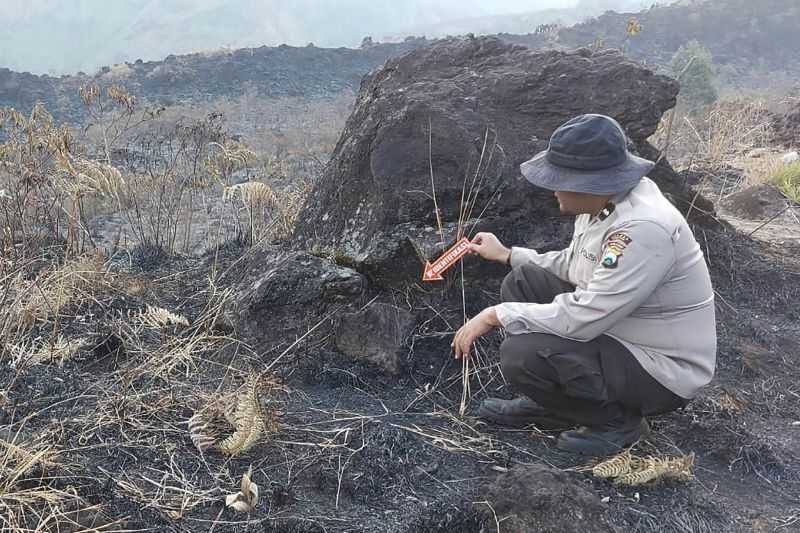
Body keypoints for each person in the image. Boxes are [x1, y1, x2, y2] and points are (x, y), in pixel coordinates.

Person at [452, 114, 717, 456]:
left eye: (560, 180)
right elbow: (579, 266)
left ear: (593, 183)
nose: (553, 189)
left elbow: (585, 315)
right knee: (526, 281)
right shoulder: (606, 203)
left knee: (522, 355)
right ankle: (554, 404)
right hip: (625, 327)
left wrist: (494, 315)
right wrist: (508, 255)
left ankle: (614, 422)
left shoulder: (642, 229)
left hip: (662, 368)